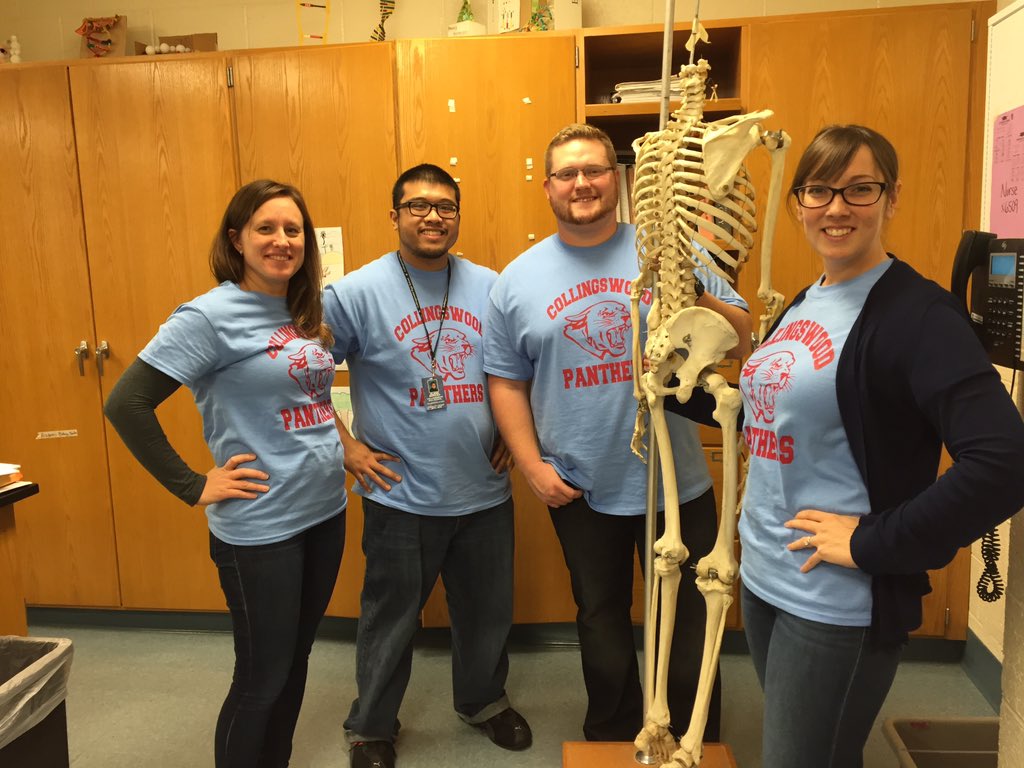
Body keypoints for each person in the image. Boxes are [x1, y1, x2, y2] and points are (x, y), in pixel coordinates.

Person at [735, 124, 1024, 768]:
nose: (835, 208)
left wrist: (871, 542)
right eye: (819, 190)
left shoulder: (920, 316)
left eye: (859, 189)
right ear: (799, 203)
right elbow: (777, 413)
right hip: (765, 575)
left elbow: (1005, 463)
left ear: (892, 199)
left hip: (834, 599)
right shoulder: (809, 300)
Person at [484, 123, 752, 743]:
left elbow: (741, 338)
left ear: (619, 179)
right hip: (580, 486)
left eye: (595, 170)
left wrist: (687, 289)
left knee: (689, 624)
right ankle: (610, 734)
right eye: (567, 173)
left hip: (677, 484)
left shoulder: (669, 250)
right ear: (548, 186)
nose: (582, 183)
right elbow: (505, 381)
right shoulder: (516, 281)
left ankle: (695, 741)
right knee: (599, 620)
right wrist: (531, 467)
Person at [104, 179, 348, 767]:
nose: (282, 241)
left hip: (324, 511)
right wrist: (194, 485)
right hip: (261, 527)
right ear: (237, 239)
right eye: (266, 228)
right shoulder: (208, 316)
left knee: (294, 662)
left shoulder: (302, 308)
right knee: (262, 677)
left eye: (293, 230)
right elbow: (125, 403)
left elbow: (311, 397)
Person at [323, 163, 531, 768]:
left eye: (445, 206)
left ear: (458, 215)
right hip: (400, 496)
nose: (433, 216)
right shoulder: (354, 293)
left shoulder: (492, 286)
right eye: (418, 206)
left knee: (488, 614)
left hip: (484, 490)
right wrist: (348, 447)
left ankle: (483, 701)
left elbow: (524, 366)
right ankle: (371, 726)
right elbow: (301, 376)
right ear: (394, 216)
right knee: (389, 620)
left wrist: (521, 438)